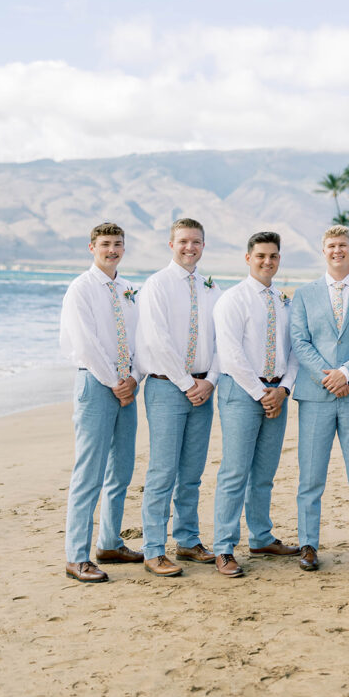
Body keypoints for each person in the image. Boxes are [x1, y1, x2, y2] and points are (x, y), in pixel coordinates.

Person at [290, 225, 349, 571]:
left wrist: (346, 374)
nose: (337, 251)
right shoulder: (303, 294)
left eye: (342, 245)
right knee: (311, 475)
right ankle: (308, 544)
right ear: (323, 250)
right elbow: (300, 342)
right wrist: (328, 377)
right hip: (315, 396)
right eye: (331, 245)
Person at [136, 218, 221, 577]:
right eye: (184, 241)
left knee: (192, 472)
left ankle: (187, 540)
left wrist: (211, 380)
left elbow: (223, 340)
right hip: (168, 388)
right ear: (171, 244)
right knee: (162, 471)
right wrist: (187, 383)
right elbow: (157, 340)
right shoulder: (156, 284)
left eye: (196, 242)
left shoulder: (211, 286)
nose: (190, 247)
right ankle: (153, 549)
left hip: (204, 389)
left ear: (204, 245)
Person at [212, 232, 300, 577]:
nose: (267, 261)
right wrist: (260, 392)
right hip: (241, 393)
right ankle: (223, 547)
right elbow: (230, 353)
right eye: (261, 255)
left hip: (277, 393)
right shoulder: (232, 299)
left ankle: (261, 536)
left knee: (265, 472)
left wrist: (284, 390)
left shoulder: (284, 301)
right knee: (234, 471)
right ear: (248, 258)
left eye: (274, 256)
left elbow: (293, 351)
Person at [60, 222, 142, 583]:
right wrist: (115, 382)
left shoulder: (129, 290)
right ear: (91, 247)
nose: (112, 250)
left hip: (127, 385)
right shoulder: (81, 288)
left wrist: (133, 379)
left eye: (118, 244)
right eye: (106, 244)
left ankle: (109, 542)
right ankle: (76, 556)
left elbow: (142, 338)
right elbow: (85, 342)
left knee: (121, 470)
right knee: (88, 472)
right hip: (96, 385)